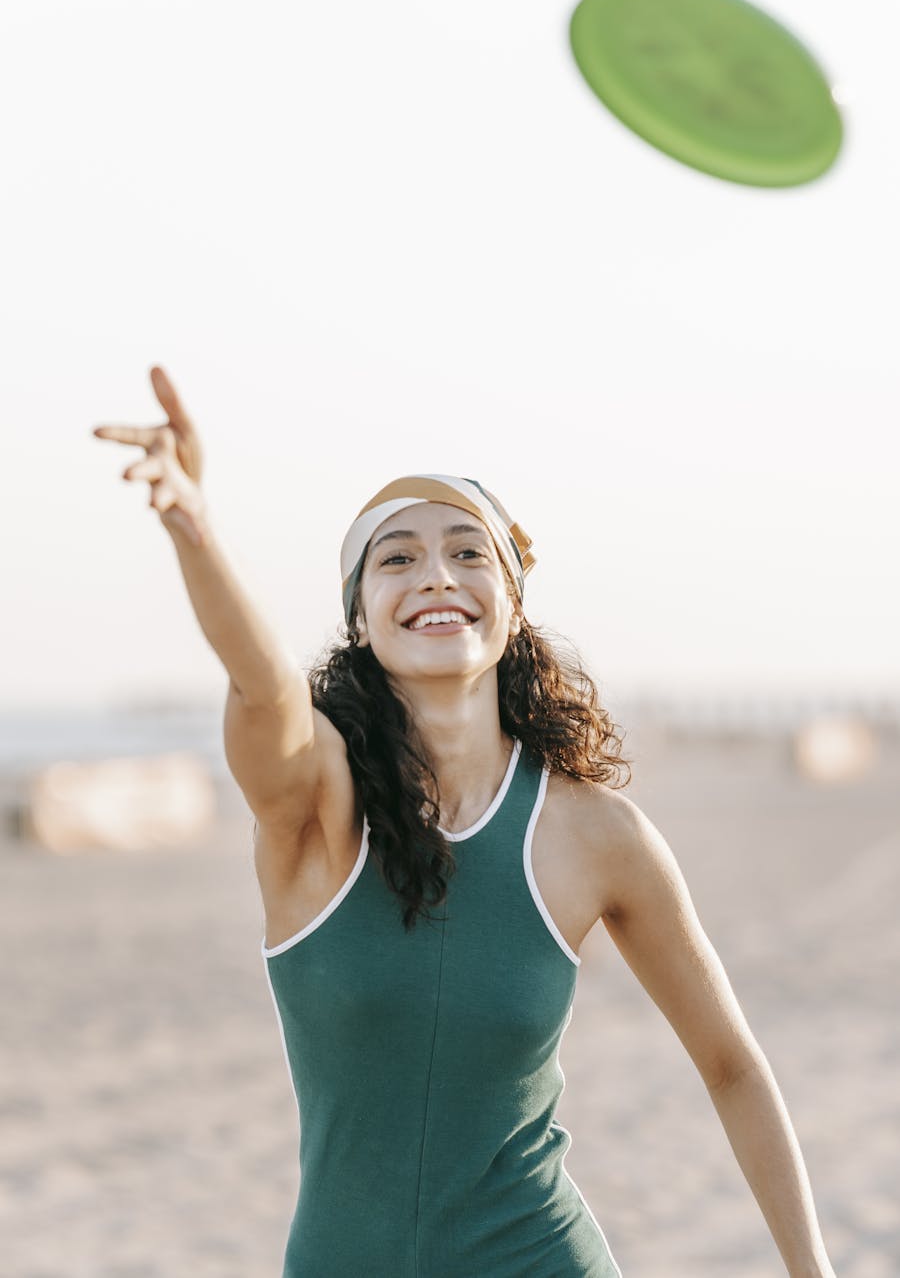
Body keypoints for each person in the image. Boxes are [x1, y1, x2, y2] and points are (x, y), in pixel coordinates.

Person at [93, 366, 837, 1278]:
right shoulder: (318, 810)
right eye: (396, 558)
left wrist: (814, 1272)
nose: (435, 575)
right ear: (361, 620)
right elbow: (263, 685)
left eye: (467, 552)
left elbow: (734, 1069)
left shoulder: (596, 836)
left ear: (512, 605)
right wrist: (195, 529)